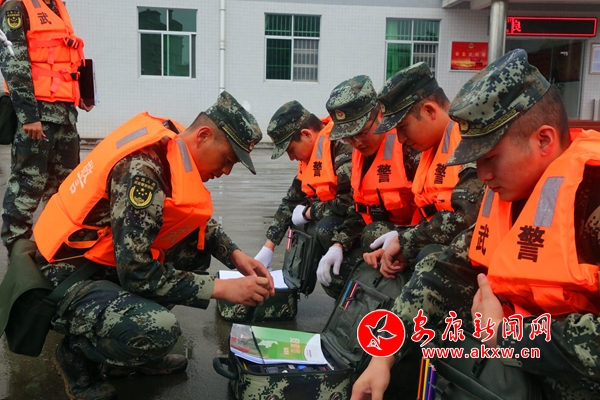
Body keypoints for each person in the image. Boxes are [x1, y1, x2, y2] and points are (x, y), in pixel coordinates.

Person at [351, 49, 600, 400]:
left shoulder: (592, 200)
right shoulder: (509, 193)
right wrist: (384, 353)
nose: (482, 175)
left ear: (543, 140)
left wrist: (506, 333)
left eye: (490, 158)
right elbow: (444, 270)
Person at [28, 91, 275, 400]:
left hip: (101, 260)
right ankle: (79, 355)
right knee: (159, 329)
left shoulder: (174, 149)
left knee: (194, 251)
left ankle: (128, 356)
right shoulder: (141, 171)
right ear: (203, 135)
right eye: (228, 159)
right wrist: (222, 289)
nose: (226, 171)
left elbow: (192, 220)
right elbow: (137, 273)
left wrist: (236, 256)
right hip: (67, 275)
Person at [362, 62, 485, 276]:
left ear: (430, 111)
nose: (400, 139)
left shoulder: (469, 144)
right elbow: (425, 212)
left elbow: (464, 219)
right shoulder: (430, 148)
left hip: (475, 248)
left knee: (428, 255)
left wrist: (405, 242)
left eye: (403, 127)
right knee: (375, 237)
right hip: (437, 235)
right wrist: (399, 242)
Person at [0, 0, 93, 256]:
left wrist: (84, 93)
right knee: (27, 186)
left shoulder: (58, 7)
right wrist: (29, 116)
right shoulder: (16, 6)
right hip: (37, 117)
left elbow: (68, 55)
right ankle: (17, 255)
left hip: (66, 117)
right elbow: (13, 63)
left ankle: (56, 252)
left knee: (65, 191)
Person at [317, 75, 420, 299]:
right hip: (377, 241)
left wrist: (404, 237)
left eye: (362, 132)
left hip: (414, 238)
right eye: (348, 138)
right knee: (335, 274)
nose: (357, 143)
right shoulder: (359, 156)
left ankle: (398, 303)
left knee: (375, 232)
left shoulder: (408, 147)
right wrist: (338, 245)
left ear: (380, 114)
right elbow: (359, 209)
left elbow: (435, 207)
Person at [254, 100, 355, 273]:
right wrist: (268, 248)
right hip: (343, 218)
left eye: (291, 150)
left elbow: (348, 203)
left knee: (323, 226)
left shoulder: (343, 148)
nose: (292, 158)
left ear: (307, 134)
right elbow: (290, 202)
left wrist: (308, 212)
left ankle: (345, 277)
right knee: (298, 220)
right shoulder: (311, 159)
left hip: (363, 222)